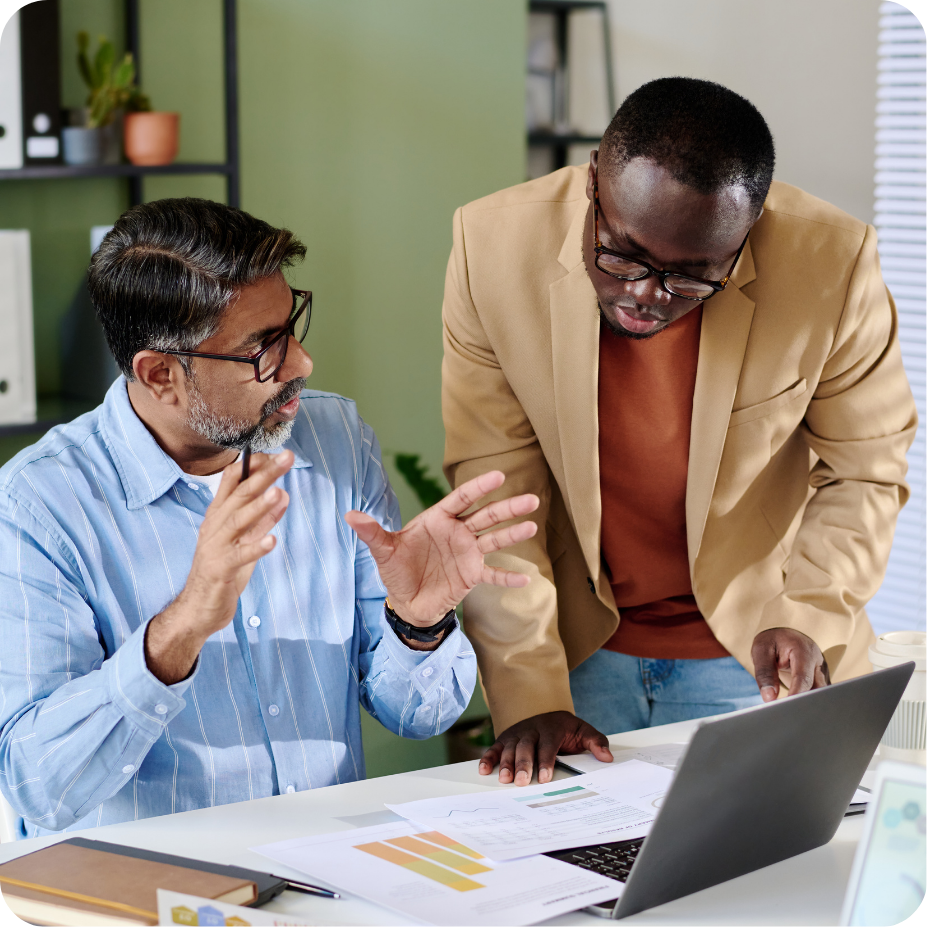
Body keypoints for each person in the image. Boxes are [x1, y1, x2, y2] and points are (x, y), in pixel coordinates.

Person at [0, 198, 538, 839]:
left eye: (293, 326)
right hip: (151, 891)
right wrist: (183, 627)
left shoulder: (336, 437)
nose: (302, 364)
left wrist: (417, 622)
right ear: (161, 374)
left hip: (332, 872)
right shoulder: (38, 507)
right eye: (263, 349)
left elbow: (418, 715)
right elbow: (39, 786)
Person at [441, 77, 917, 786]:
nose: (646, 294)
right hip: (572, 657)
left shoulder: (832, 265)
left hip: (756, 656)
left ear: (748, 233)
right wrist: (528, 691)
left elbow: (867, 469)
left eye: (691, 277)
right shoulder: (491, 245)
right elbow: (496, 486)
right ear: (595, 175)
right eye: (621, 255)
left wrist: (807, 615)